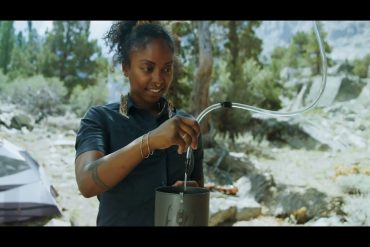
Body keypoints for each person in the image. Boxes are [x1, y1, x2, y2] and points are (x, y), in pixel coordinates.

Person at [74, 21, 204, 226]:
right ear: (126, 68)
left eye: (166, 69)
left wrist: (191, 192)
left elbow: (197, 190)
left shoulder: (186, 126)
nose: (158, 79)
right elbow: (86, 183)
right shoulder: (101, 119)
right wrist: (150, 141)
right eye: (148, 68)